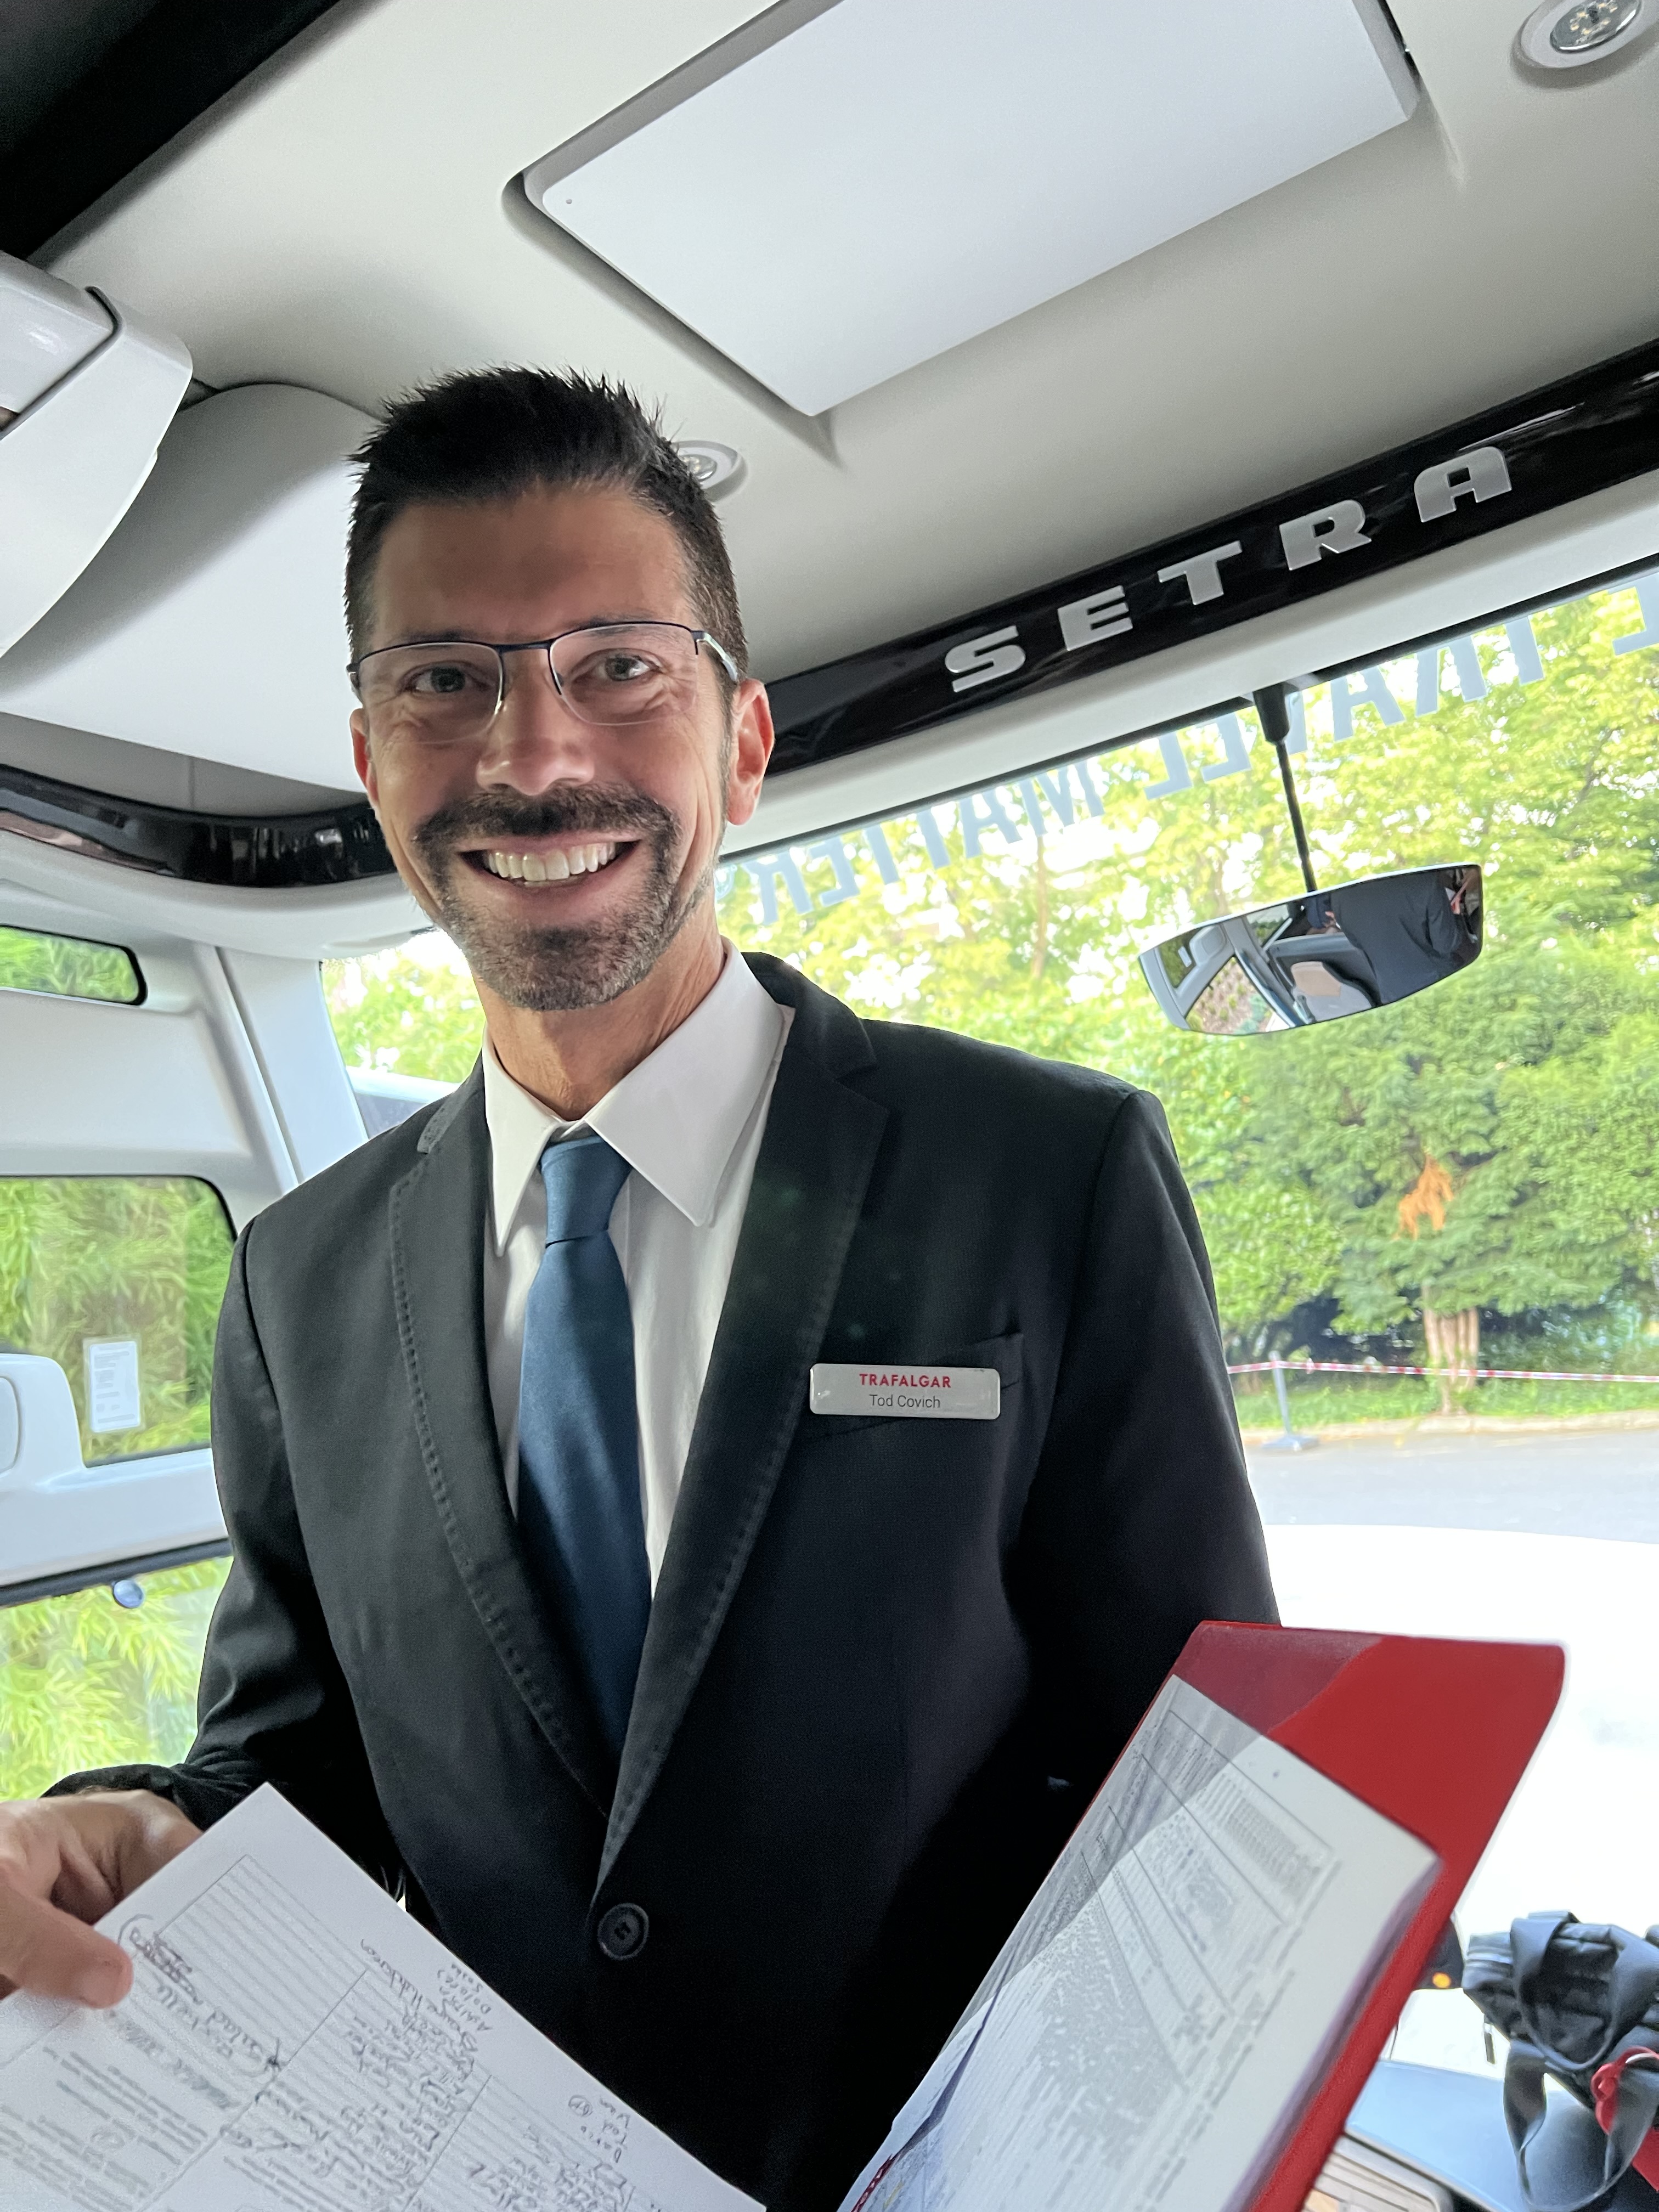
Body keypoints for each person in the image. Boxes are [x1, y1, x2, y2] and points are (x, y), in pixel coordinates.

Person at [0, 370, 1276, 2210]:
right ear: (371, 759)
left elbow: (1197, 1765)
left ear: (742, 743)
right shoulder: (299, 1276)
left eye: (619, 667)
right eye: (444, 681)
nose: (532, 758)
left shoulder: (1043, 1170)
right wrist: (137, 1821)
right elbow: (296, 1761)